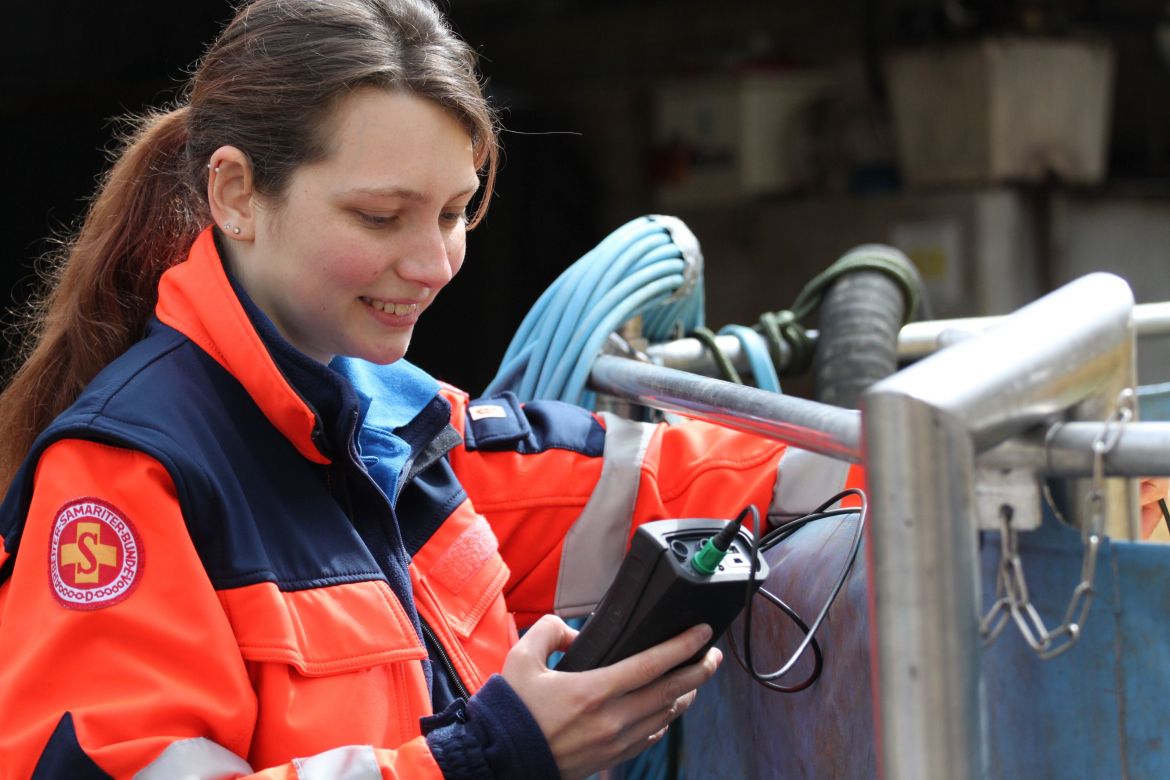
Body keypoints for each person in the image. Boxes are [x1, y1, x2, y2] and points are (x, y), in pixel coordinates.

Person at [0, 1, 865, 778]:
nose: (433, 264)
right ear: (235, 193)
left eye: (454, 212)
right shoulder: (123, 481)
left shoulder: (406, 429)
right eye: (381, 217)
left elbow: (689, 483)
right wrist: (498, 754)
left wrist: (920, 465)